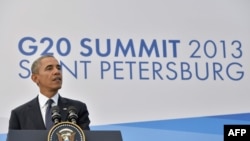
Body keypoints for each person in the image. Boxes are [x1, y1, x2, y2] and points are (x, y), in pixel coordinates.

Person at [8, 55, 90, 130]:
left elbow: (85, 137)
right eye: (49, 68)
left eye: (58, 68)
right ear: (35, 78)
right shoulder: (19, 114)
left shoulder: (77, 108)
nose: (57, 72)